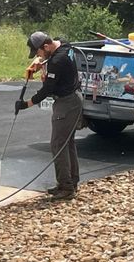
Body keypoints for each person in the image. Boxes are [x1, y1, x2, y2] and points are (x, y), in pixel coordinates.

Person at [15, 31, 83, 201]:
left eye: (38, 52)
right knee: (68, 143)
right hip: (75, 99)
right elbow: (49, 56)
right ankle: (71, 182)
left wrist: (25, 104)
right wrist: (37, 63)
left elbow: (46, 90)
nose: (37, 55)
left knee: (58, 144)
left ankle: (66, 188)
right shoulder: (64, 44)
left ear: (45, 46)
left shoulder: (56, 62)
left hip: (66, 104)